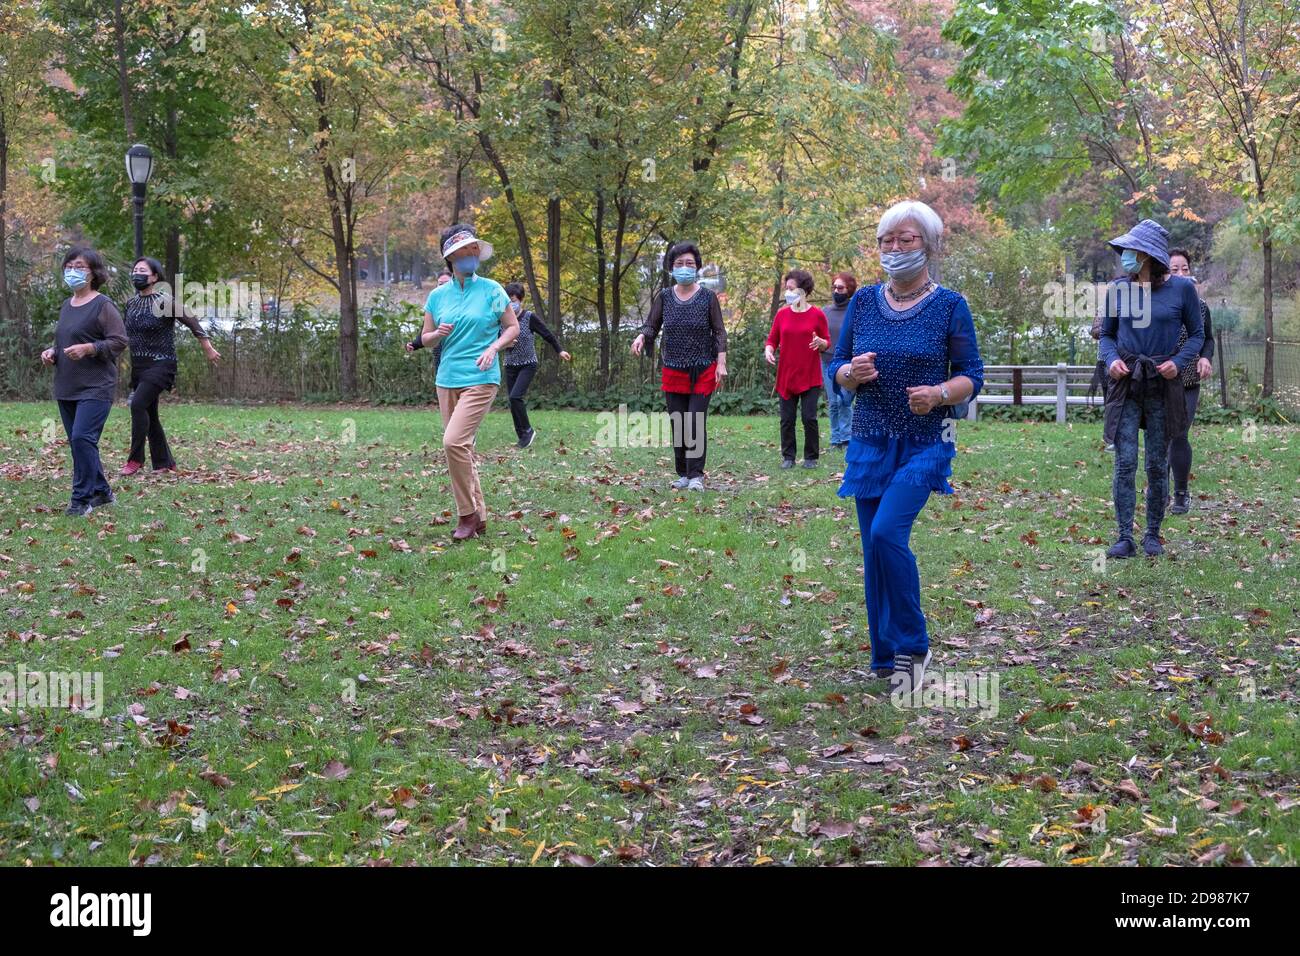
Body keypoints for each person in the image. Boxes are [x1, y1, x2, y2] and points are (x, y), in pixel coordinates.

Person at [827, 200, 983, 698]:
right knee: (872, 547)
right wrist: (850, 373)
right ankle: (882, 654)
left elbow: (972, 377)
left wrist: (939, 394)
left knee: (888, 533)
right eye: (886, 242)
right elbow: (839, 365)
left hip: (925, 442)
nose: (895, 249)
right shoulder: (865, 301)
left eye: (907, 240)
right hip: (870, 440)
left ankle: (914, 646)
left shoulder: (950, 305)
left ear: (930, 246)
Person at [1098, 220, 1203, 558]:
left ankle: (1152, 535)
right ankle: (1124, 536)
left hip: (1162, 383)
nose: (1127, 256)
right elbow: (1107, 336)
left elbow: (1198, 335)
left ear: (1149, 256)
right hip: (1127, 383)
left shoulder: (1182, 290)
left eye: (1134, 251)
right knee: (1125, 461)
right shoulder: (1118, 289)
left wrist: (1180, 360)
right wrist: (1111, 359)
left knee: (1157, 463)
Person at [421, 224, 519, 540]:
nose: (471, 256)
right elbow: (426, 338)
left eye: (474, 250)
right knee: (463, 448)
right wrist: (436, 335)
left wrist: (494, 348)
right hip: (447, 379)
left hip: (481, 377)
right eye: (465, 252)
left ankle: (466, 515)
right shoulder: (438, 296)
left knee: (453, 442)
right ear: (451, 258)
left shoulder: (491, 290)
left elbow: (512, 328)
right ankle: (481, 517)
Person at [631, 241, 728, 491]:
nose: (684, 267)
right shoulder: (664, 296)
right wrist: (642, 336)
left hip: (703, 368)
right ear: (671, 268)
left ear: (697, 267)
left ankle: (696, 475)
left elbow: (719, 331)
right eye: (679, 264)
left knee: (695, 420)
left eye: (689, 264)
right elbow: (652, 325)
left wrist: (721, 363)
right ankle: (683, 473)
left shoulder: (708, 297)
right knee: (678, 421)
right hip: (673, 367)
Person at [40, 247, 128, 515]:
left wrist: (89, 348)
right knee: (81, 443)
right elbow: (64, 341)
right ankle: (102, 491)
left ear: (93, 273)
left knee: (81, 437)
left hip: (96, 385)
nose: (72, 271)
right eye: (68, 266)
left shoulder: (103, 305)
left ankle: (81, 500)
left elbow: (119, 341)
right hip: (67, 384)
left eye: (78, 266)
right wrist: (52, 351)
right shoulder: (67, 305)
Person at [120, 257, 221, 475]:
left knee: (137, 405)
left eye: (143, 270)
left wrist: (207, 347)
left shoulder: (164, 301)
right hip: (139, 367)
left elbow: (191, 320)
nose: (137, 273)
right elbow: (122, 335)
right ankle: (165, 463)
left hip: (161, 364)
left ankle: (135, 460)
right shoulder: (130, 304)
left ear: (154, 277)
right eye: (135, 269)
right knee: (150, 414)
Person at [1165, 248, 1215, 514]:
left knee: (1179, 434)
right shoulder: (1157, 303)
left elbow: (1208, 339)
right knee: (1159, 436)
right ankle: (1159, 489)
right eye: (1174, 269)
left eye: (1185, 268)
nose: (1181, 273)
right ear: (1164, 273)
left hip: (1187, 382)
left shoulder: (1201, 307)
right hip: (1160, 379)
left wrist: (1205, 358)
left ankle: (1181, 494)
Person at [766, 269, 829, 468]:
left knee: (809, 417)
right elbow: (772, 339)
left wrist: (821, 342)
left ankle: (811, 457)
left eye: (791, 288)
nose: (788, 292)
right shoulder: (782, 315)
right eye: (787, 288)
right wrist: (768, 350)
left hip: (810, 375)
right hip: (786, 375)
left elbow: (827, 341)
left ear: (803, 291)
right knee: (786, 419)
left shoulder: (817, 314)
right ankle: (788, 457)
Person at [500, 282, 571, 448]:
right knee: (512, 401)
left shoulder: (529, 317)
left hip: (527, 364)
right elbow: (495, 341)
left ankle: (528, 431)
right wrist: (505, 344)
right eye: (508, 300)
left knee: (515, 396)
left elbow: (547, 334)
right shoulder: (502, 319)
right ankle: (522, 436)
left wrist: (559, 350)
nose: (512, 304)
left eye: (514, 300)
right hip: (510, 364)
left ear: (521, 300)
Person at [823, 272, 857, 449]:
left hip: (847, 363)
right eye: (834, 287)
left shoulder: (855, 310)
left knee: (843, 400)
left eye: (840, 288)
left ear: (849, 290)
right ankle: (836, 438)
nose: (836, 290)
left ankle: (846, 437)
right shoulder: (825, 312)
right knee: (833, 402)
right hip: (827, 361)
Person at [407, 270, 452, 353]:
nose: (443, 286)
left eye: (447, 283)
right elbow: (427, 330)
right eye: (440, 284)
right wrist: (414, 344)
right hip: (440, 350)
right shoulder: (435, 302)